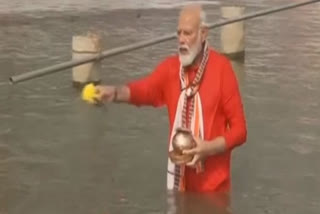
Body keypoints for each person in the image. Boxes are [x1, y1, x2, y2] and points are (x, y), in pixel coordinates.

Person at [94, 4, 247, 194]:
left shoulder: (222, 69)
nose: (181, 39)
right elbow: (143, 91)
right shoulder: (170, 69)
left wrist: (208, 148)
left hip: (213, 191)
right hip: (178, 187)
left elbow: (240, 131)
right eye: (179, 33)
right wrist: (114, 92)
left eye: (188, 33)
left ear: (204, 33)